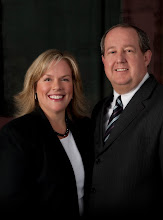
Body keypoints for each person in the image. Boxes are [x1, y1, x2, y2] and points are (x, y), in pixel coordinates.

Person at [87, 23, 163, 218]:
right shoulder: (100, 110)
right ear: (103, 60)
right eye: (112, 52)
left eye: (128, 50)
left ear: (146, 57)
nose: (119, 59)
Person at [0, 49, 93, 217]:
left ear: (73, 87)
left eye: (65, 79)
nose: (57, 86)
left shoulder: (86, 129)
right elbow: (12, 206)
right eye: (48, 79)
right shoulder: (16, 135)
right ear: (34, 87)